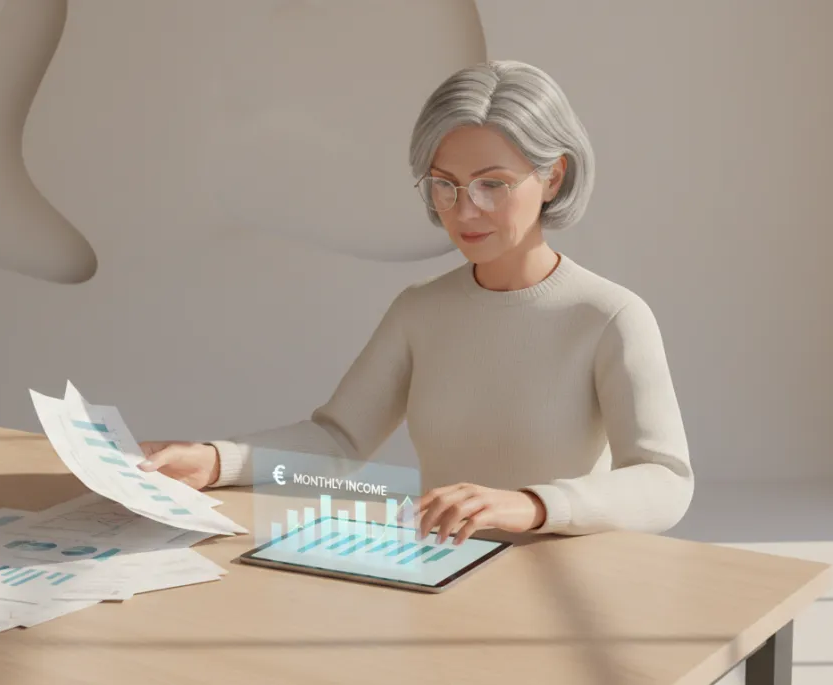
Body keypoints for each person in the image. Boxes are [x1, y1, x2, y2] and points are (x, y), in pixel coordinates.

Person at [139, 60, 693, 545]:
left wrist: (531, 505)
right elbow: (338, 439)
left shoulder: (609, 318)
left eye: (491, 184)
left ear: (553, 176)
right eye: (444, 184)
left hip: (555, 581)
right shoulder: (421, 311)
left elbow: (666, 481)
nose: (464, 210)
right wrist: (216, 460)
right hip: (435, 572)